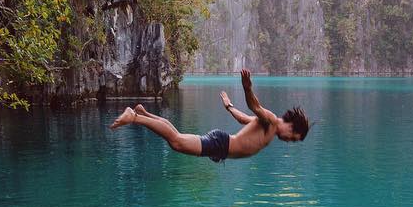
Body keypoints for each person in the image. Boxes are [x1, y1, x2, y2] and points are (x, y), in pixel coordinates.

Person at [110, 69, 310, 162]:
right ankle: (135, 118)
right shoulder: (272, 121)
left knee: (177, 138)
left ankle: (144, 113)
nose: (288, 141)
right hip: (220, 144)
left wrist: (229, 106)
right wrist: (247, 88)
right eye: (292, 138)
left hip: (220, 147)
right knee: (177, 142)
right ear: (291, 126)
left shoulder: (269, 128)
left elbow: (243, 119)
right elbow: (255, 107)